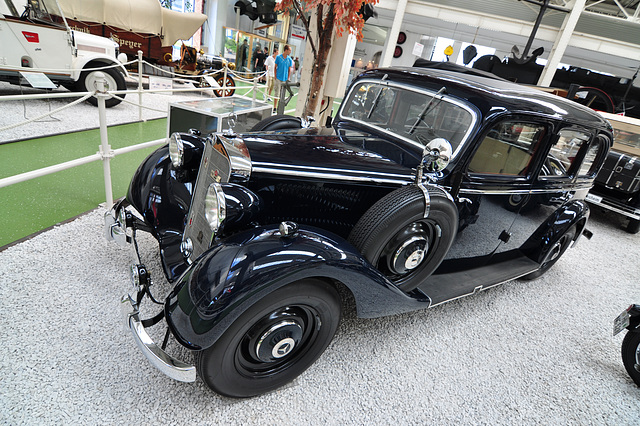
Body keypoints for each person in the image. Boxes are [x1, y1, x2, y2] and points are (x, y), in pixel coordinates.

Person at [273, 44, 294, 111]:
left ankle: (280, 106)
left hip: (284, 79)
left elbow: (289, 69)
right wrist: (275, 76)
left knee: (282, 93)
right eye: (289, 50)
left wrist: (288, 78)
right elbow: (275, 67)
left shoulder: (289, 59)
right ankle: (275, 107)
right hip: (278, 78)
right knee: (277, 92)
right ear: (286, 50)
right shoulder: (278, 57)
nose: (290, 51)